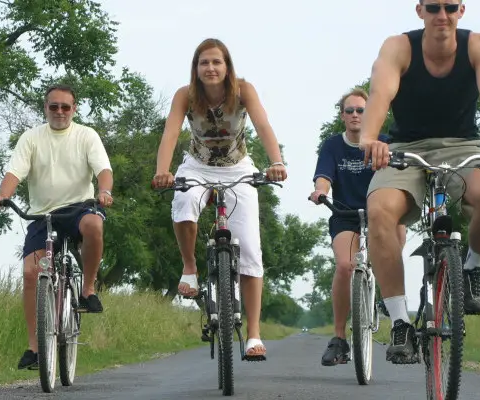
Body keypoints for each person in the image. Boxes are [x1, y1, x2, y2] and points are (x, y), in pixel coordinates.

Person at [357, 0, 480, 364]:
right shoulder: (398, 47)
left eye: (450, 6)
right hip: (405, 149)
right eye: (433, 7)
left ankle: (473, 268)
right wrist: (370, 138)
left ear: (462, 10)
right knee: (379, 212)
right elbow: (380, 95)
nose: (442, 15)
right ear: (419, 11)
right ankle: (400, 323)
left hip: (462, 146)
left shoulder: (478, 45)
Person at [151, 38, 287, 361]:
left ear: (227, 67)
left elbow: (263, 124)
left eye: (216, 62)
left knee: (251, 251)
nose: (210, 68)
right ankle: (189, 268)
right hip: (197, 166)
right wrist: (162, 171)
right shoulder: (185, 96)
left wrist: (277, 162)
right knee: (183, 204)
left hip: (237, 167)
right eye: (204, 63)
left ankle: (254, 334)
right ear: (195, 69)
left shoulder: (243, 91)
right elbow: (170, 133)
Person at [0, 83, 114, 370]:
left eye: (65, 107)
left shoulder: (86, 135)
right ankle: (35, 347)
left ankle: (88, 290)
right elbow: (14, 172)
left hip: (79, 207)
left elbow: (103, 170)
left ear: (74, 109)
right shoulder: (31, 138)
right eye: (53, 106)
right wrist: (2, 196)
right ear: (45, 108)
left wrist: (104, 191)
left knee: (94, 224)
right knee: (32, 273)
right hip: (43, 214)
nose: (59, 111)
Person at [309, 87, 408, 366]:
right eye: (349, 110)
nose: (355, 115)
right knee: (344, 266)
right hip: (345, 214)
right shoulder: (332, 146)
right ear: (342, 116)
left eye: (361, 110)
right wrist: (320, 192)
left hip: (382, 215)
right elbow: (323, 177)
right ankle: (339, 339)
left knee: (394, 236)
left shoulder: (386, 143)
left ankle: (386, 295)